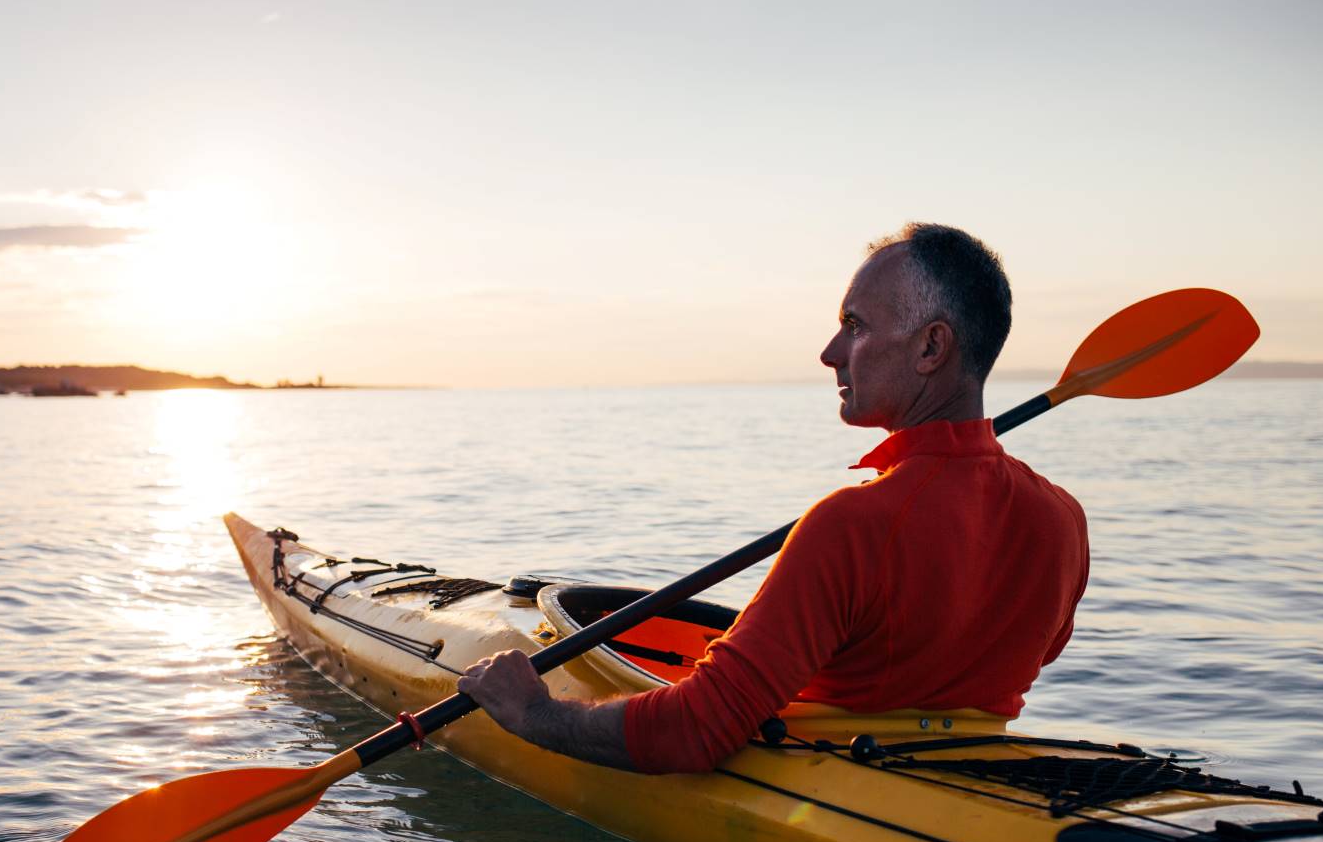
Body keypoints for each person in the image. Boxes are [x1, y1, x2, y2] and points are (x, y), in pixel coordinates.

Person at [456, 223, 1089, 774]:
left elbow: (694, 731)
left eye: (855, 326)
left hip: (839, 785)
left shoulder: (850, 525)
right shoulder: (1062, 519)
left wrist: (534, 713)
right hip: (976, 782)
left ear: (931, 347)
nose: (829, 353)